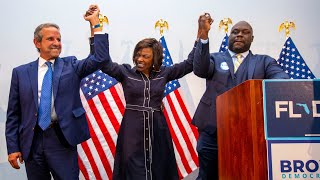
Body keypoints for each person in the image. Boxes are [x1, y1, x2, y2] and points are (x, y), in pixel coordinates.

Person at [5, 4, 109, 180]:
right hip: (32, 142)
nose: (56, 43)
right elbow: (13, 114)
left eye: (59, 39)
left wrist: (95, 23)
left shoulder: (72, 65)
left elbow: (100, 58)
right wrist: (13, 147)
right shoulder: (20, 72)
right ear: (37, 43)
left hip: (62, 140)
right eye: (50, 39)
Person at [86, 16, 198, 179]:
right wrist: (95, 25)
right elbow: (103, 63)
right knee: (133, 167)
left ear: (155, 59)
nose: (139, 59)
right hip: (132, 130)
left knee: (159, 167)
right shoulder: (125, 73)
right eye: (138, 55)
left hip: (158, 129)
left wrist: (201, 35)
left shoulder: (164, 73)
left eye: (145, 56)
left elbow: (189, 64)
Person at [192, 13, 289, 180]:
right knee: (207, 176)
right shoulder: (215, 58)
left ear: (252, 38)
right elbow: (200, 69)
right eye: (235, 31)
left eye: (245, 32)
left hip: (248, 133)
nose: (239, 35)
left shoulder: (264, 61)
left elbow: (282, 79)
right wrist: (203, 35)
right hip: (212, 132)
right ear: (229, 36)